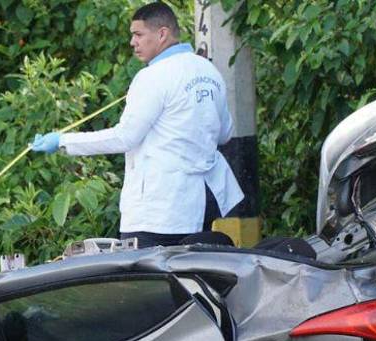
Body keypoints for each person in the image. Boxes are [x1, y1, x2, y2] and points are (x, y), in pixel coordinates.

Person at [30, 2, 244, 248]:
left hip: (159, 211)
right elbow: (225, 133)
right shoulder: (208, 71)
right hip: (203, 201)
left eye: (138, 34)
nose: (133, 42)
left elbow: (125, 137)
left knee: (149, 283)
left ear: (162, 34)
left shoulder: (152, 77)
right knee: (192, 275)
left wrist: (63, 141)